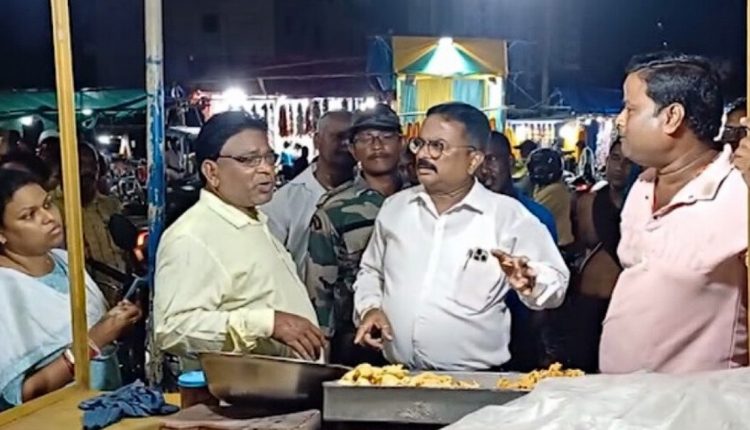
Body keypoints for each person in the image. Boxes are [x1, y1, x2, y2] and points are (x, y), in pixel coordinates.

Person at [352, 102, 569, 370]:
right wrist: (370, 308)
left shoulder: (507, 216)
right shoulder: (395, 208)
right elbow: (371, 271)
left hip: (474, 381)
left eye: (438, 146)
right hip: (397, 375)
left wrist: (533, 280)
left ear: (473, 160)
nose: (424, 155)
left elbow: (557, 283)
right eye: (420, 143)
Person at [600, 53, 748, 374]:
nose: (620, 121)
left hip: (700, 399)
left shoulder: (738, 191)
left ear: (672, 117)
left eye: (631, 109)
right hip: (623, 395)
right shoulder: (642, 185)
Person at [154, 112, 324, 370]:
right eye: (249, 160)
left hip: (283, 385)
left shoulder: (253, 220)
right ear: (211, 171)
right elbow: (171, 328)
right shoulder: (192, 236)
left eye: (269, 157)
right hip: (238, 392)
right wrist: (267, 324)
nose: (266, 169)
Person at [0, 169, 141, 409]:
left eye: (47, 204)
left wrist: (118, 323)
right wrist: (95, 340)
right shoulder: (6, 291)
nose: (48, 217)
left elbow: (99, 330)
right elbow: (25, 394)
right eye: (29, 215)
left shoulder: (65, 260)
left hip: (107, 405)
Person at [306, 105, 404, 366]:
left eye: (386, 136)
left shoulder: (422, 201)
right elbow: (320, 291)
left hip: (412, 338)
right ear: (352, 149)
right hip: (357, 343)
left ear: (402, 143)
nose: (377, 145)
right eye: (365, 138)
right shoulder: (335, 210)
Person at [543, 138, 637, 372]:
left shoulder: (645, 205)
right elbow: (577, 247)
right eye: (615, 158)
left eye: (628, 162)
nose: (620, 167)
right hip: (588, 303)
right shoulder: (587, 202)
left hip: (627, 305)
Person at [477, 131, 559, 371]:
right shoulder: (467, 217)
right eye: (479, 161)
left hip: (522, 330)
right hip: (479, 336)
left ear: (511, 163)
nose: (485, 170)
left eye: (492, 159)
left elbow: (548, 284)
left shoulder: (536, 217)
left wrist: (536, 341)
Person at [262, 111, 356, 279]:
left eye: (351, 138)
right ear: (317, 140)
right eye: (338, 136)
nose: (345, 144)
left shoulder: (370, 195)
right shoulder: (284, 202)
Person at [52, 144, 126, 296]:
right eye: (80, 163)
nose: (88, 170)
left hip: (120, 293)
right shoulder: (51, 207)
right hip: (81, 297)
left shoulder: (111, 204)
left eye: (93, 164)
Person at [528, 148, 576, 250]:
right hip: (550, 244)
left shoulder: (556, 190)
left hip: (560, 247)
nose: (537, 170)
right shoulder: (540, 187)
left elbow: (531, 216)